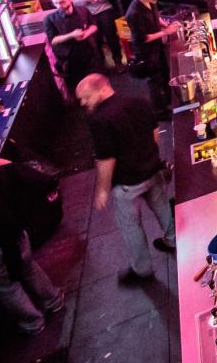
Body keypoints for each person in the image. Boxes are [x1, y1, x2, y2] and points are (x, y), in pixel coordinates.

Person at [76, 74, 176, 284]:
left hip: (127, 184)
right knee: (162, 209)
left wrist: (102, 190)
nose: (83, 103)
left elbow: (106, 160)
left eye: (86, 97)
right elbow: (155, 132)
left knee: (131, 227)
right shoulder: (138, 101)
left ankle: (143, 269)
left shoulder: (99, 120)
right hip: (152, 170)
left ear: (102, 88)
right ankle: (173, 240)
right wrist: (150, 157)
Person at [0, 154, 65, 335]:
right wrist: (6, 164)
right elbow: (42, 180)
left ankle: (33, 322)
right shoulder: (0, 171)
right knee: (29, 268)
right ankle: (54, 300)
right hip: (15, 234)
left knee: (7, 287)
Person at [125, 0, 180, 113]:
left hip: (157, 46)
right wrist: (166, 32)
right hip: (146, 52)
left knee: (165, 72)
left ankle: (169, 99)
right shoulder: (134, 13)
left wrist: (165, 24)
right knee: (154, 81)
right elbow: (143, 38)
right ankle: (159, 111)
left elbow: (156, 15)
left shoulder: (150, 0)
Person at [69, 0, 123, 71]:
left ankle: (118, 60)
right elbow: (73, 2)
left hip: (103, 9)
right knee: (95, 40)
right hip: (87, 13)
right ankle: (100, 63)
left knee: (111, 36)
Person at [44, 0, 100, 96]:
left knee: (95, 81)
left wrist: (85, 34)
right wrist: (72, 35)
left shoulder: (83, 11)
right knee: (77, 88)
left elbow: (94, 26)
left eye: (62, 2)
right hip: (68, 58)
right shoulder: (49, 19)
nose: (59, 6)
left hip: (88, 52)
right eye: (56, 3)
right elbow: (53, 40)